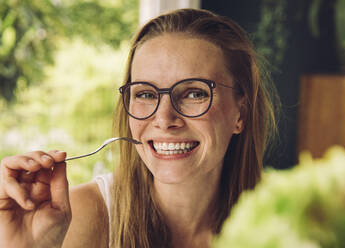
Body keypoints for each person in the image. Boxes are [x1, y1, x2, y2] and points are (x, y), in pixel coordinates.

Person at [0, 8, 278, 248]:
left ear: (240, 112)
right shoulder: (79, 217)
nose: (164, 118)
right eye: (146, 94)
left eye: (195, 93)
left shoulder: (284, 226)